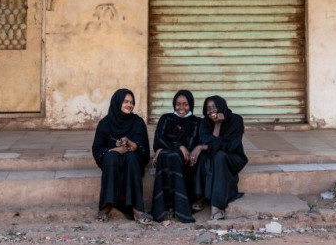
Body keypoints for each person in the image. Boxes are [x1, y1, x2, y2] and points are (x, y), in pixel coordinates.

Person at [91, 88, 152, 224]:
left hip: (133, 159)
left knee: (131, 158)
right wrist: (114, 150)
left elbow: (144, 149)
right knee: (112, 157)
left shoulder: (138, 122)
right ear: (117, 102)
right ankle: (106, 206)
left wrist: (130, 144)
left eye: (131, 102)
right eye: (125, 101)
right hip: (112, 159)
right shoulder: (105, 123)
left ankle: (137, 209)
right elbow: (97, 149)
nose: (129, 105)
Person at [190, 95, 248, 220]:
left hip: (233, 157)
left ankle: (217, 205)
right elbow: (206, 141)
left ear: (221, 106)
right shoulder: (205, 122)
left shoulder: (236, 120)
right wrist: (217, 125)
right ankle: (200, 197)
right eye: (208, 108)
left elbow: (230, 145)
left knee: (219, 156)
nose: (211, 111)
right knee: (205, 157)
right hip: (214, 155)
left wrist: (202, 147)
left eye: (214, 107)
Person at [150, 89, 201, 223]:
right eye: (178, 104)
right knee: (168, 155)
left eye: (185, 104)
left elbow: (190, 146)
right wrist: (178, 146)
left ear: (191, 105)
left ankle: (176, 207)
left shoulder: (196, 122)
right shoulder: (166, 118)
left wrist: (163, 148)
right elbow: (158, 140)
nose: (181, 108)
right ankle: (165, 207)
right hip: (170, 157)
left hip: (184, 163)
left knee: (170, 155)